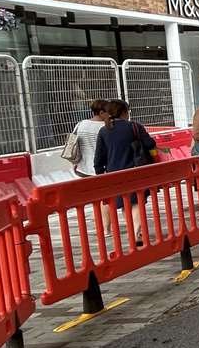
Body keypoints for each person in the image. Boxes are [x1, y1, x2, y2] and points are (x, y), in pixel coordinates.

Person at [93, 99, 157, 243]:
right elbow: (150, 144)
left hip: (114, 174)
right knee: (137, 202)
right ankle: (136, 233)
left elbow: (99, 157)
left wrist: (100, 173)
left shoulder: (104, 131)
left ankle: (134, 231)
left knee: (125, 203)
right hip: (136, 171)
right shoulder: (134, 127)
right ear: (124, 112)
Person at [62, 99, 108, 177]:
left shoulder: (80, 124)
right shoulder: (105, 127)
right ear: (101, 113)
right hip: (100, 171)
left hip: (81, 169)